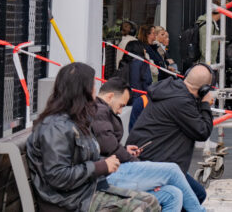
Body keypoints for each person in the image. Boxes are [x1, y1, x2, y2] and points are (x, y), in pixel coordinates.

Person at [25, 62, 158, 212]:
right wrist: (100, 166)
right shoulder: (55, 126)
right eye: (93, 86)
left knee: (151, 201)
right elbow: (58, 176)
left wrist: (106, 164)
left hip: (84, 192)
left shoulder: (76, 120)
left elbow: (82, 160)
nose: (95, 91)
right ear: (83, 90)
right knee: (140, 208)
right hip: (67, 202)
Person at [92, 77, 206, 212]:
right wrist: (135, 161)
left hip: (112, 172)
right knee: (172, 170)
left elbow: (105, 145)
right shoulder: (99, 110)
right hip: (107, 175)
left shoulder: (99, 111)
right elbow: (109, 146)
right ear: (110, 96)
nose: (120, 111)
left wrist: (124, 150)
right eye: (121, 105)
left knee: (173, 194)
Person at [126, 63, 216, 205]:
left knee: (197, 193)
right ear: (204, 89)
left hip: (152, 159)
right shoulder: (181, 101)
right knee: (194, 196)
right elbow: (202, 131)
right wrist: (205, 104)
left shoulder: (172, 91)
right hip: (157, 163)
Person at [119, 35, 153, 130]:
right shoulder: (143, 62)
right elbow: (148, 81)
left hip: (126, 99)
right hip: (141, 99)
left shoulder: (123, 62)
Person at [196, 2, 222, 67]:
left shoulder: (211, 24)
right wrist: (212, 63)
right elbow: (204, 48)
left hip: (208, 63)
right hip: (205, 64)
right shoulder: (208, 25)